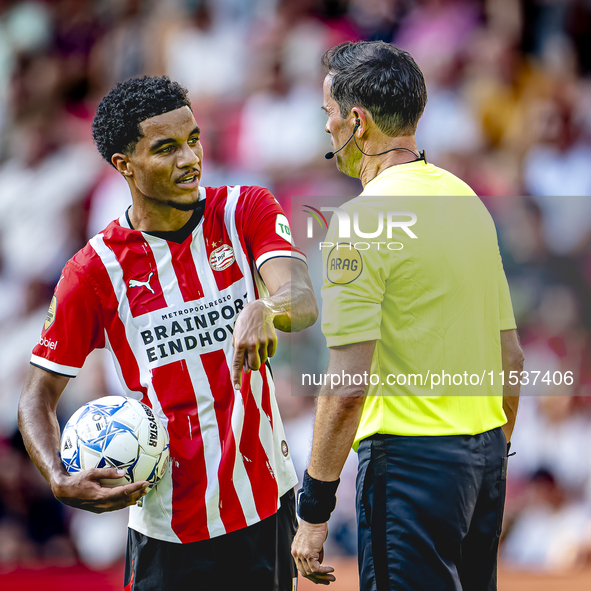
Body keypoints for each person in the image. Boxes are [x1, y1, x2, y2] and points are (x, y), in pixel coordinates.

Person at [18, 75, 318, 591]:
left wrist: (268, 308)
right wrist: (59, 478)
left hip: (265, 507)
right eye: (166, 148)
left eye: (193, 139)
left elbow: (301, 298)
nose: (189, 159)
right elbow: (36, 398)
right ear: (124, 165)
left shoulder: (244, 209)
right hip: (166, 530)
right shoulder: (95, 270)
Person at [291, 41, 524, 590]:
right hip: (484, 456)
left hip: (409, 469)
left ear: (357, 121)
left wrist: (314, 510)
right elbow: (510, 356)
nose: (326, 129)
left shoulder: (359, 222)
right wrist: (487, 463)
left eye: (327, 114)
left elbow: (348, 384)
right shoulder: (467, 201)